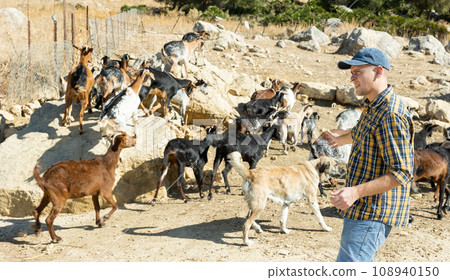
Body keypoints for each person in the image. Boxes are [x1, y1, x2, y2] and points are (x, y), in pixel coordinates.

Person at [322, 48, 414, 262]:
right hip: (363, 209)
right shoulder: (374, 106)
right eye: (351, 72)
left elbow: (402, 172)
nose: (352, 77)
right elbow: (364, 133)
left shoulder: (390, 113)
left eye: (358, 72)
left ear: (378, 71)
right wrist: (342, 138)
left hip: (372, 212)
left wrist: (355, 192)